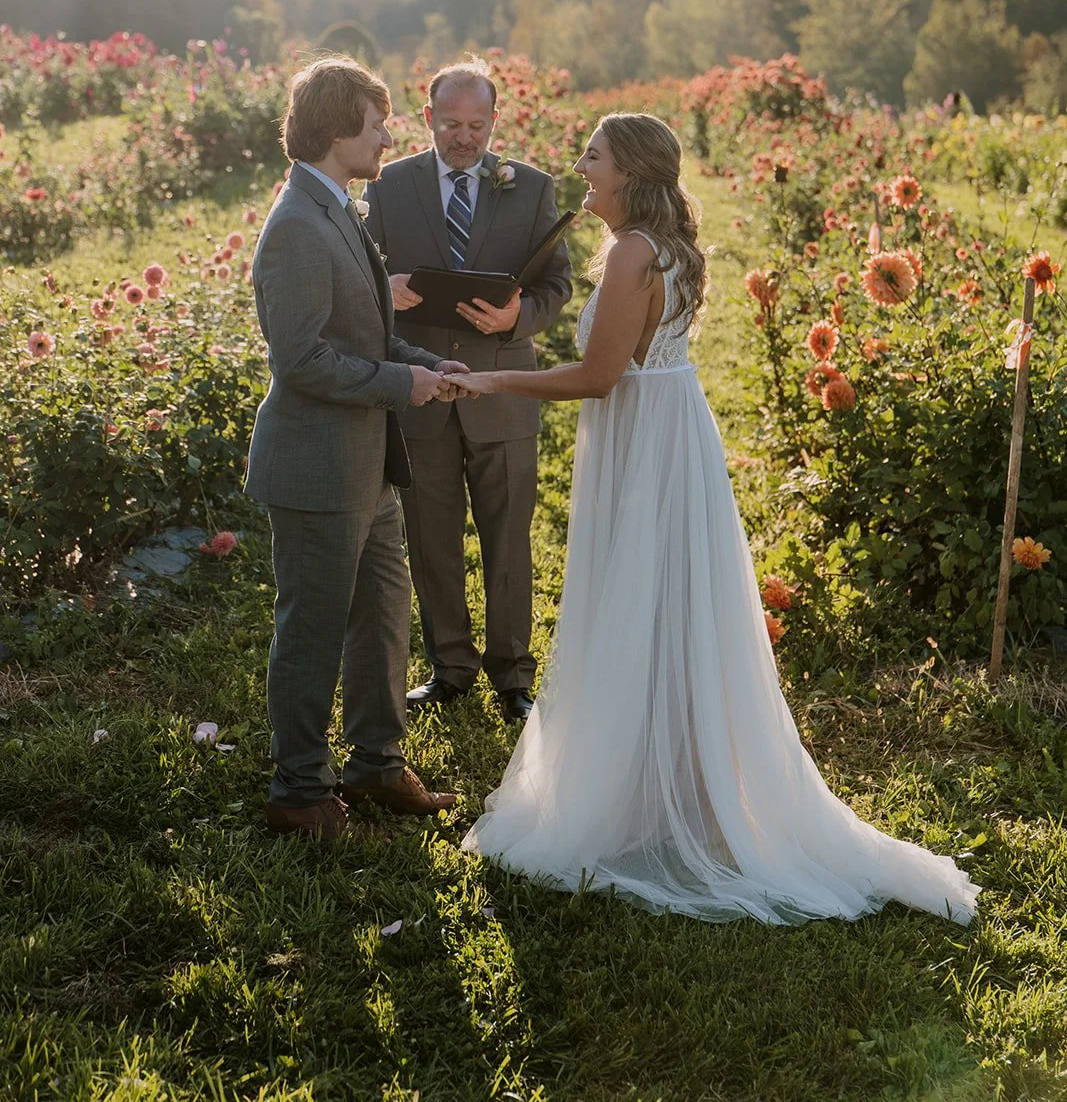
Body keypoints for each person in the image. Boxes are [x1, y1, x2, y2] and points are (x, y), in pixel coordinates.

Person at [451, 113, 979, 926]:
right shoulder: (658, 246)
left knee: (641, 601)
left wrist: (489, 383)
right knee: (666, 606)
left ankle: (651, 798)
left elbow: (598, 378)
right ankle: (671, 791)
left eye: (592, 157)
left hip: (645, 441)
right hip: (665, 431)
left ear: (627, 171)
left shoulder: (632, 252)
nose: (581, 169)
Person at [245, 56, 472, 841]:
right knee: (310, 628)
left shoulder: (336, 205)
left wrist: (422, 365)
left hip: (366, 461)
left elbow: (365, 331)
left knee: (381, 612)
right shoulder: (296, 227)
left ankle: (374, 765)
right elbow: (300, 361)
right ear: (340, 127)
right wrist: (393, 386)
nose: (387, 135)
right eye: (377, 123)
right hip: (315, 465)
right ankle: (299, 790)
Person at [363, 59, 572, 723]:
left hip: (504, 389)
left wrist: (519, 317)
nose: (464, 136)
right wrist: (382, 290)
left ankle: (513, 674)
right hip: (422, 391)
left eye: (477, 125)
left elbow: (556, 285)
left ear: (493, 121)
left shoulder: (531, 187)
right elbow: (362, 275)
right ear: (426, 118)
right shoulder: (388, 186)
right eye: (451, 123)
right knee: (431, 537)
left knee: (508, 538)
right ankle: (449, 666)